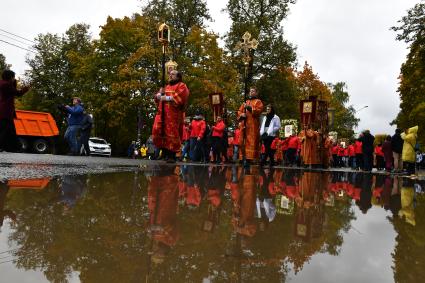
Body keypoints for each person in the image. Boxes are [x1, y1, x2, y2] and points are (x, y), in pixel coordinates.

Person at [152, 70, 190, 163]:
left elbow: (181, 97)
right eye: (170, 74)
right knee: (158, 131)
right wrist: (158, 95)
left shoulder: (182, 85)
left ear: (178, 77)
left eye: (173, 74)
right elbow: (159, 98)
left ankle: (171, 155)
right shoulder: (167, 86)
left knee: (171, 134)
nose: (170, 76)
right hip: (162, 114)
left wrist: (167, 98)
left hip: (173, 115)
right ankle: (164, 152)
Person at [0, 69, 29, 152]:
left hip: (4, 111)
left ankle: (12, 148)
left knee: (9, 130)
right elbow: (18, 93)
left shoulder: (2, 83)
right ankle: (15, 148)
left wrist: (13, 83)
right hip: (5, 111)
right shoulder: (6, 85)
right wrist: (26, 89)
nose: (14, 78)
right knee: (6, 130)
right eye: (13, 77)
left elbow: (12, 92)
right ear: (10, 77)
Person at [237, 87, 264, 168]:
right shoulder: (246, 102)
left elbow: (259, 111)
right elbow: (239, 111)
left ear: (256, 93)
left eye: (253, 91)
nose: (251, 92)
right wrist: (242, 115)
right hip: (244, 125)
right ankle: (243, 158)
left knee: (251, 141)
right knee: (241, 141)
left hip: (253, 125)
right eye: (250, 91)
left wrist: (249, 108)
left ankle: (248, 160)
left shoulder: (258, 101)